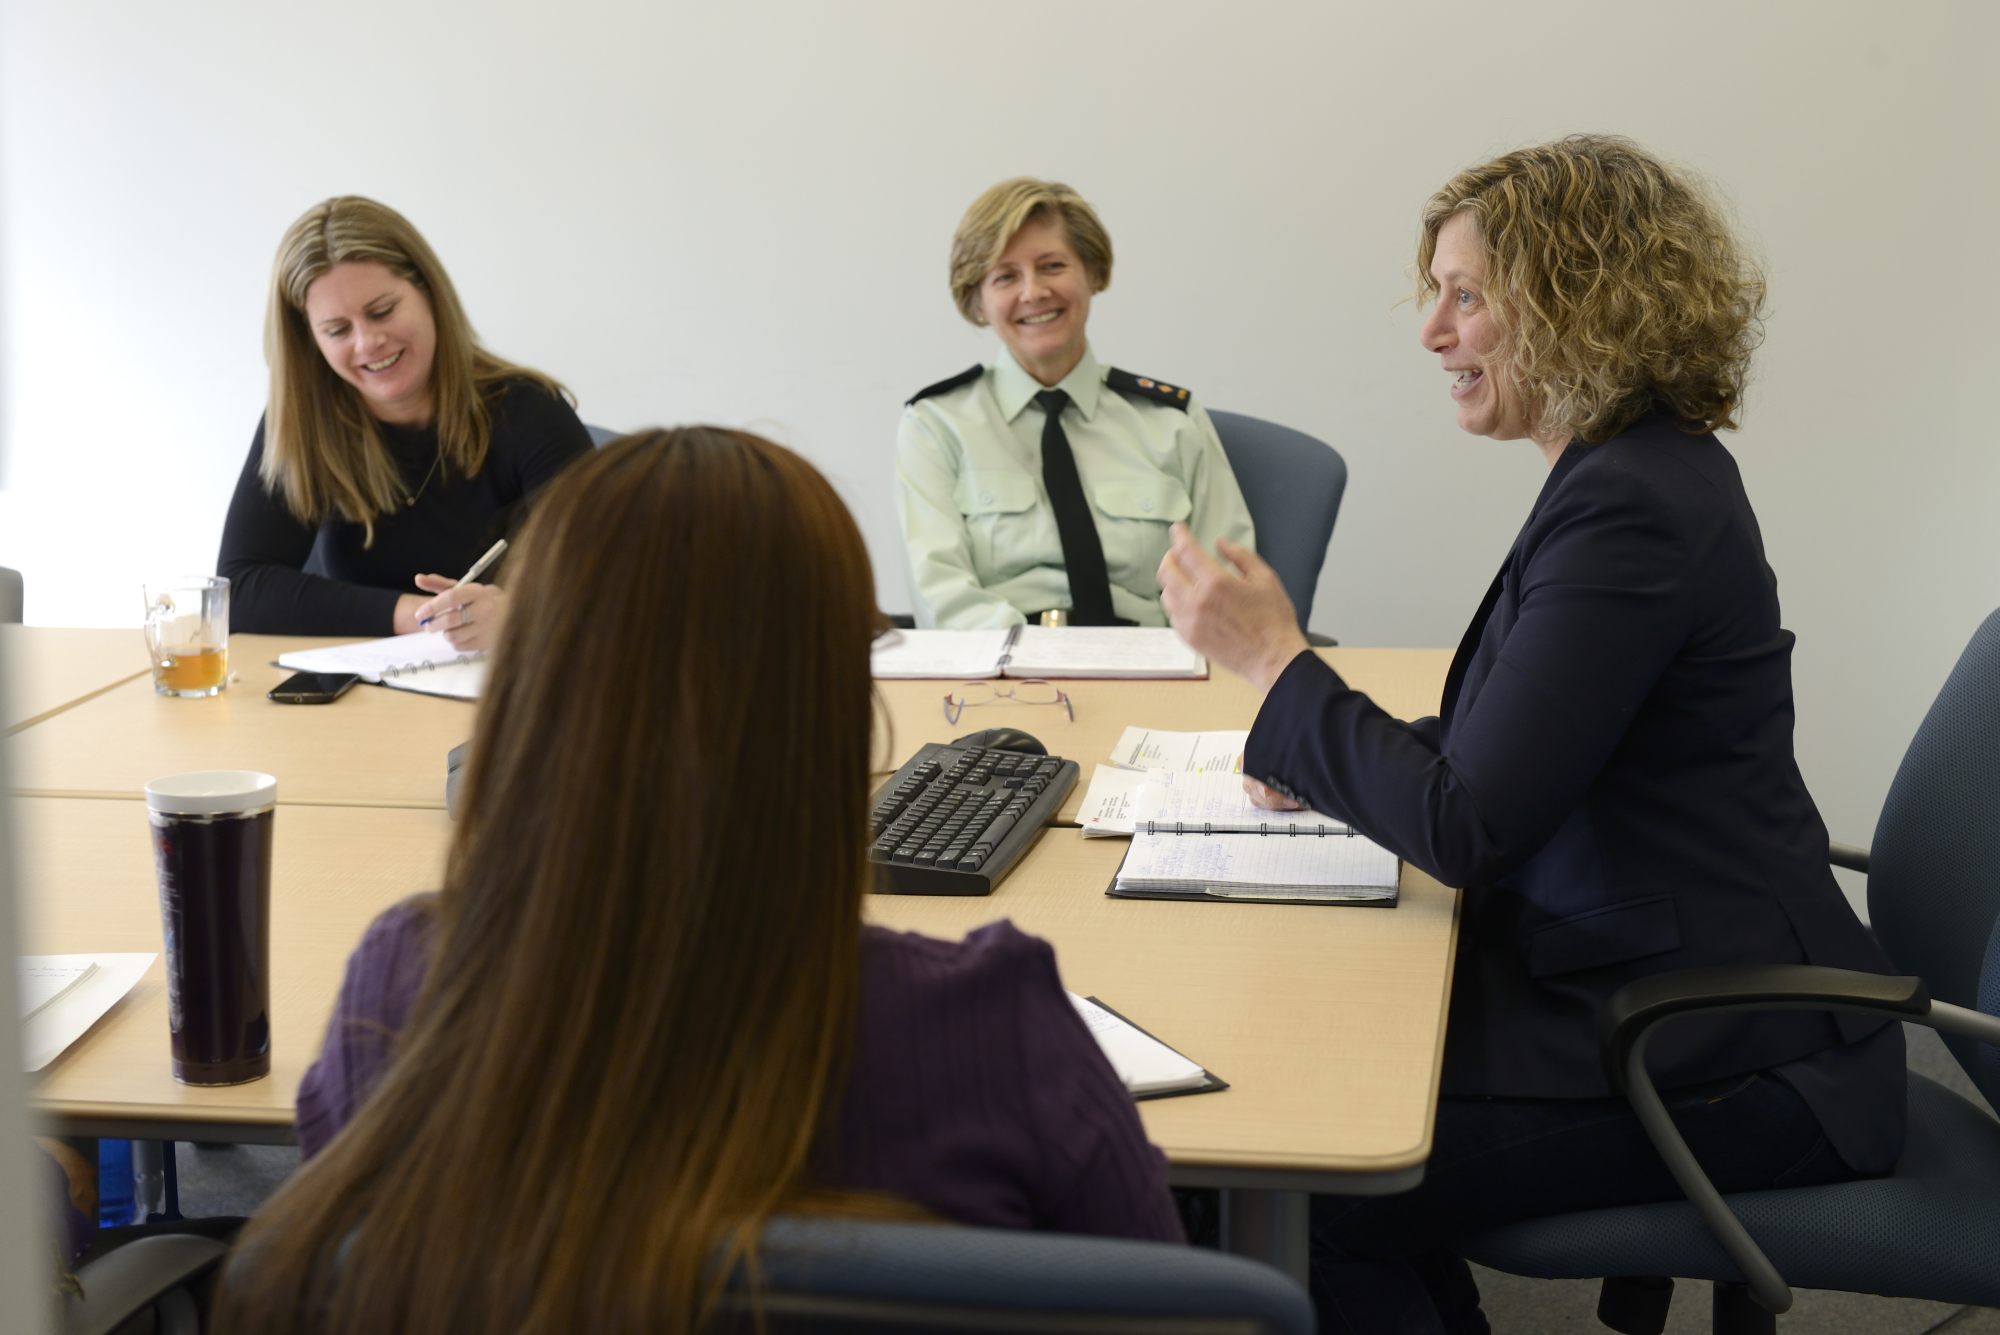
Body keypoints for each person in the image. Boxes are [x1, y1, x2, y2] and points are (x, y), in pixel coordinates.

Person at [1158, 135, 1906, 1333]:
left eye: (1464, 298)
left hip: (1733, 1051)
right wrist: (1319, 750)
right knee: (1318, 1103)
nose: (1430, 332)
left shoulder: (1629, 507)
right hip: (1665, 976)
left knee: (1291, 1183)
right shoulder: (1630, 471)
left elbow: (1468, 824)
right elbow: (1520, 742)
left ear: (1578, 308)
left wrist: (1277, 668)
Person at [211, 428, 1181, 1333]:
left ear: (531, 695)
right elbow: (1181, 1309)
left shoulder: (398, 990)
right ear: (828, 708)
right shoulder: (993, 1034)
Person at [216, 196, 592, 645]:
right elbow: (240, 591)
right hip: (370, 680)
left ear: (429, 294)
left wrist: (520, 613)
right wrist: (419, 616)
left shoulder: (530, 411)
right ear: (310, 341)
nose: (367, 342)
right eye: (337, 330)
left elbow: (610, 577)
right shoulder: (302, 423)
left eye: (382, 311)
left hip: (508, 675)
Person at [896, 177, 1255, 629]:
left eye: (1052, 266)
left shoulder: (1172, 421)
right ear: (978, 302)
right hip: (1002, 664)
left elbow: (1225, 587)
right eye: (1005, 276)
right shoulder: (936, 425)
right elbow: (942, 597)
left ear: (1093, 273)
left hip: (1153, 661)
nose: (1033, 292)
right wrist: (1034, 659)